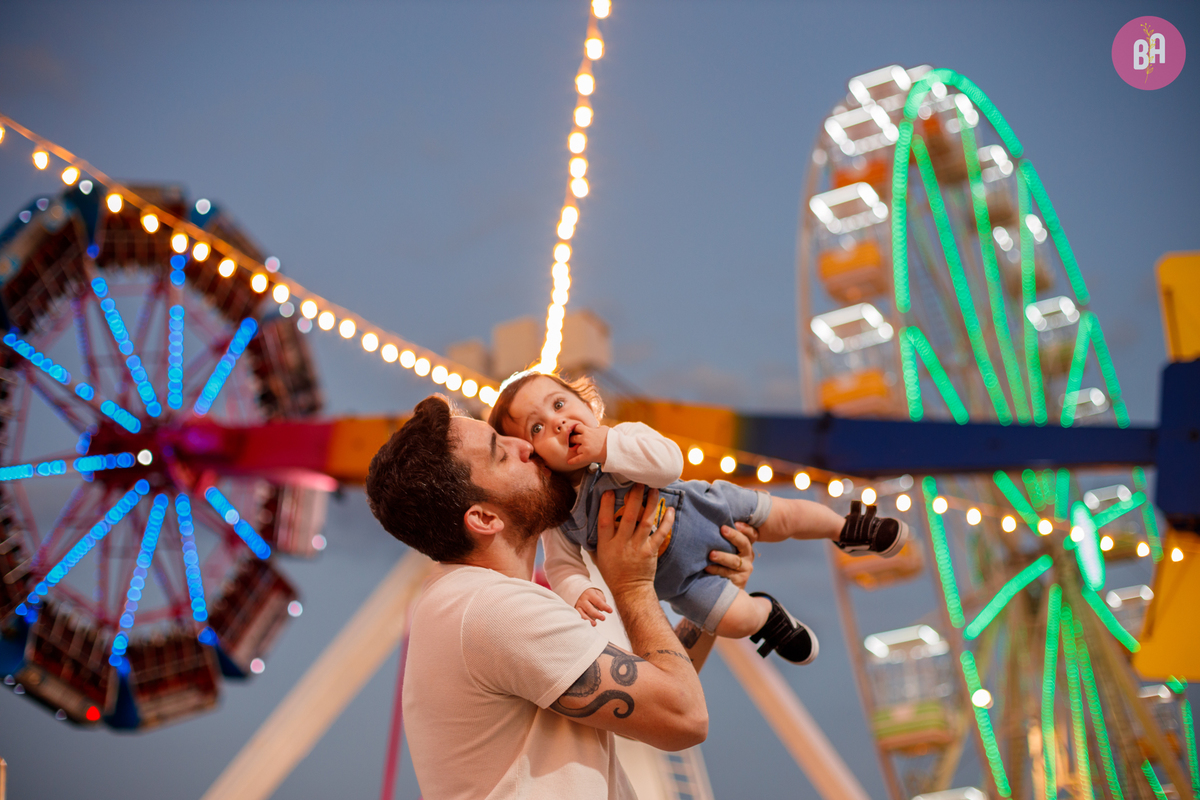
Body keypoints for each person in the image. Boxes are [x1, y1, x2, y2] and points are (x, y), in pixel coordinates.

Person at [365, 395, 759, 800]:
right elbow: (683, 716)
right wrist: (631, 587)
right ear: (484, 518)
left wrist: (709, 594)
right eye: (501, 453)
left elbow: (650, 699)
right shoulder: (494, 610)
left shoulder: (470, 602)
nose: (525, 446)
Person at [488, 370, 910, 664]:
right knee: (736, 620)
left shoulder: (624, 437)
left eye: (560, 404)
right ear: (535, 460)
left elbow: (667, 464)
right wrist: (578, 590)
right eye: (537, 429)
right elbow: (561, 565)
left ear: (587, 403)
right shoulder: (560, 516)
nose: (558, 423)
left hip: (710, 510)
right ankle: (768, 616)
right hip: (686, 582)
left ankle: (846, 528)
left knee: (784, 515)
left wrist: (607, 448)